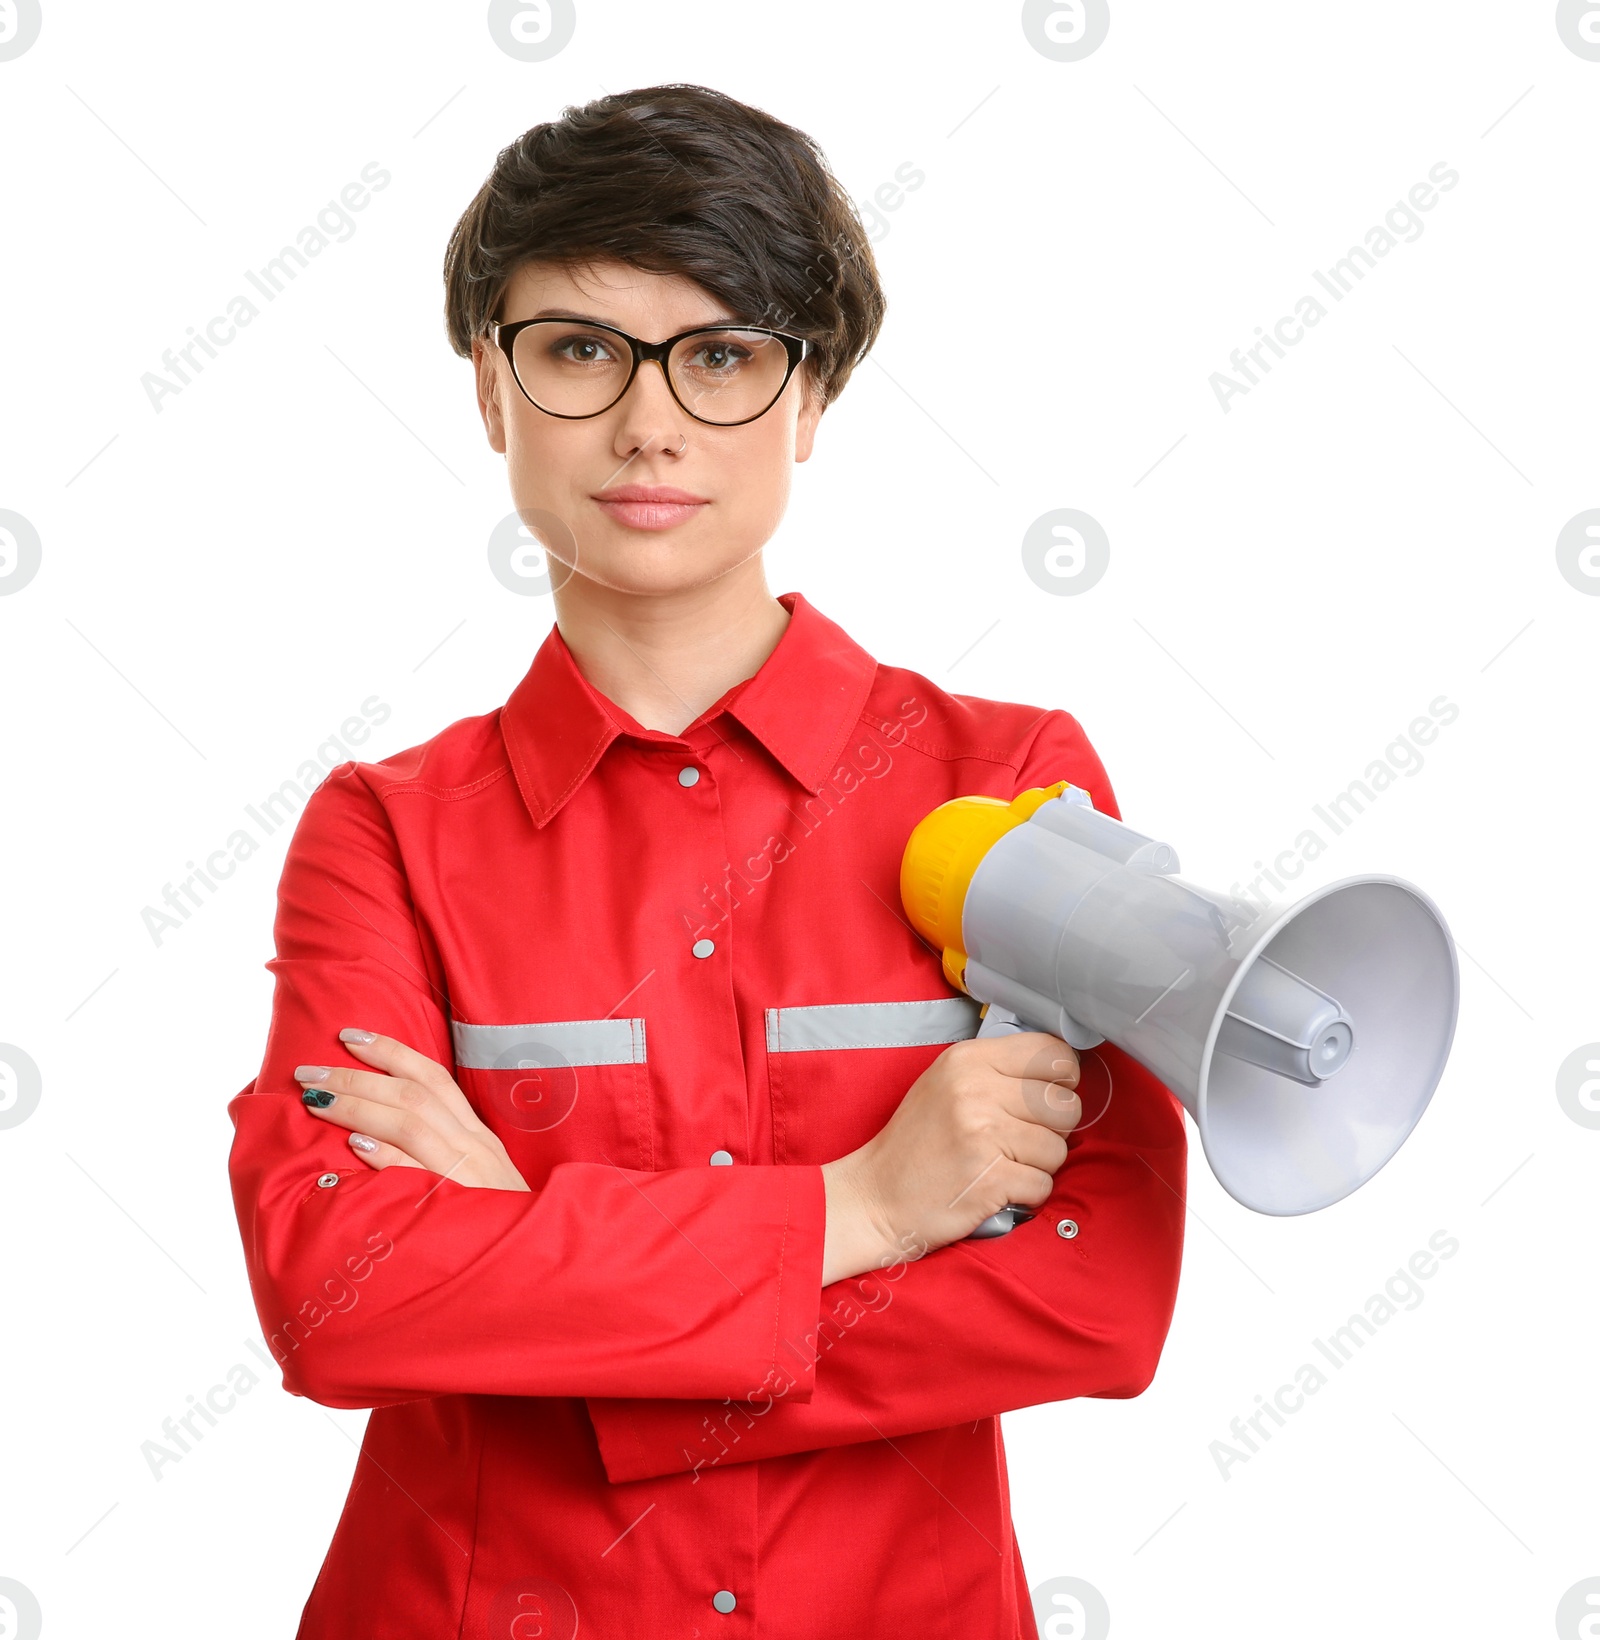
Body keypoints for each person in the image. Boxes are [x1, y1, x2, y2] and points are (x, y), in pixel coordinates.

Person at [226, 83, 1187, 1640]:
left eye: (726, 354)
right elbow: (338, 1295)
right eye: (581, 349)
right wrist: (862, 1211)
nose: (650, 420)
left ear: (814, 398)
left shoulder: (1014, 788)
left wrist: (526, 1248)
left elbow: (1091, 1291)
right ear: (493, 386)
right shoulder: (384, 834)